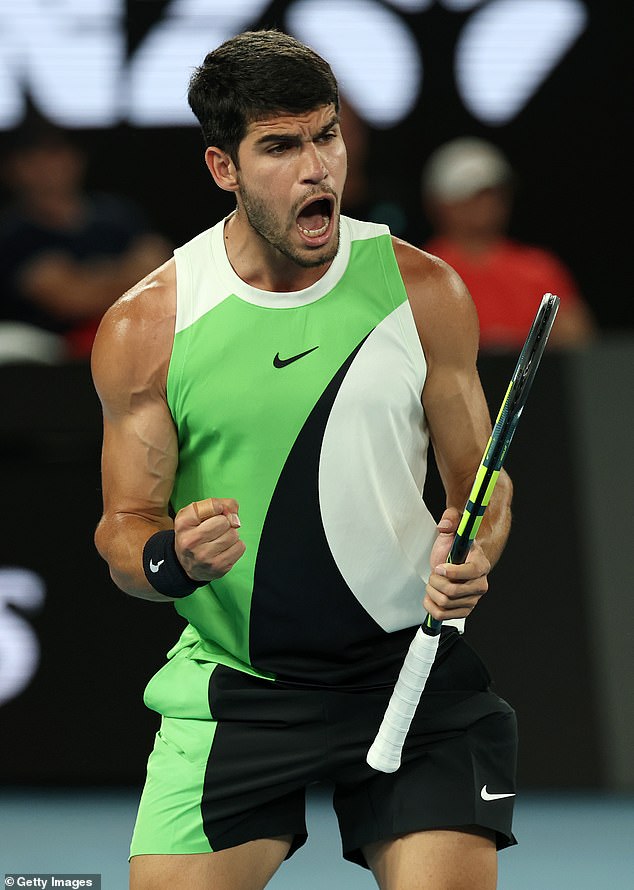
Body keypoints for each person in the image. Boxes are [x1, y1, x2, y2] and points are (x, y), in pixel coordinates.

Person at [91, 30, 516, 890]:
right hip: (239, 689)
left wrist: (471, 552)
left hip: (411, 668)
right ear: (225, 167)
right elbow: (123, 532)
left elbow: (481, 482)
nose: (316, 167)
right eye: (280, 147)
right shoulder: (150, 326)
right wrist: (172, 557)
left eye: (325, 135)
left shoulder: (422, 292)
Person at [0, 122, 171, 359]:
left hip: (137, 338)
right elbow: (72, 300)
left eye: (56, 154)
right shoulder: (13, 233)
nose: (49, 166)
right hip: (54, 355)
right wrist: (129, 275)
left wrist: (88, 278)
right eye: (34, 158)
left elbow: (164, 277)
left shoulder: (119, 215)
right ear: (14, 168)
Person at [422, 137, 596, 351]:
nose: (487, 203)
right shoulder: (419, 269)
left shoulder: (538, 268)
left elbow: (578, 338)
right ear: (439, 203)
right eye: (473, 194)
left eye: (494, 193)